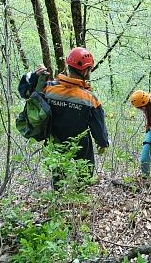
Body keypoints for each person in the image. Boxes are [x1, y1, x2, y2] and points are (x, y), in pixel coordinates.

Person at [20, 47, 109, 188]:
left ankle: (59, 196)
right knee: (85, 171)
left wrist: (35, 76)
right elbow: (98, 126)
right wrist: (103, 142)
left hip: (54, 141)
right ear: (86, 71)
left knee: (58, 173)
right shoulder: (90, 99)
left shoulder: (48, 88)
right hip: (80, 143)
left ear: (68, 66)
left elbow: (25, 92)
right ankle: (80, 193)